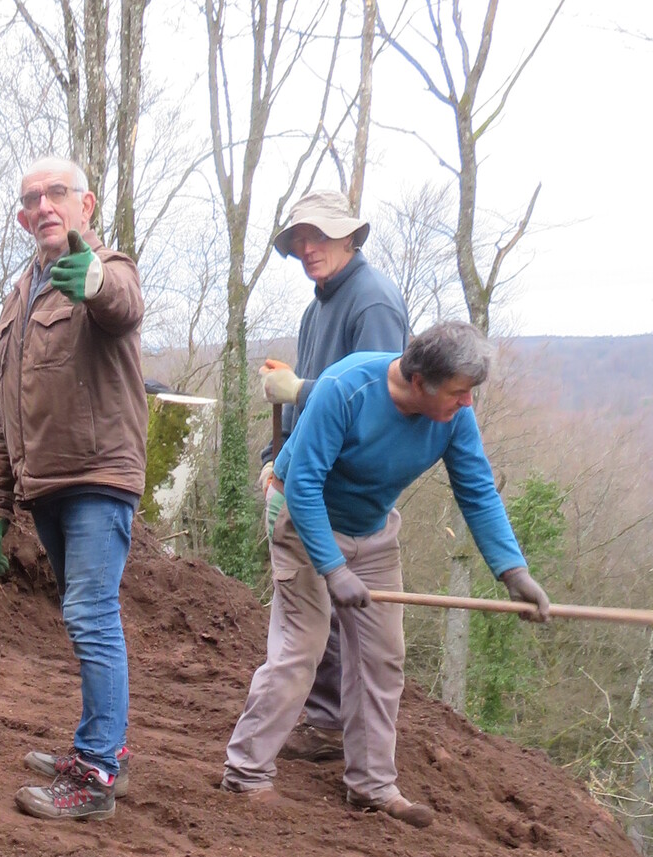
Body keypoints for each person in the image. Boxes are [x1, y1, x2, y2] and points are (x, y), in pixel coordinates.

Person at [223, 321, 552, 824]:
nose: (467, 403)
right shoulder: (345, 389)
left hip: (374, 535)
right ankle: (246, 772)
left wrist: (513, 571)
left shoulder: (454, 417)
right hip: (305, 523)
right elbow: (304, 485)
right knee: (302, 648)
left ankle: (371, 785)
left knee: (382, 658)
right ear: (419, 381)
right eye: (458, 392)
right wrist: (333, 569)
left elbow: (477, 491)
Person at [0, 157, 147, 821]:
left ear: (86, 204)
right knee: (85, 618)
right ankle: (101, 749)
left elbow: (122, 303)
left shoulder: (109, 266)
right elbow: (8, 415)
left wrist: (95, 280)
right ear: (22, 219)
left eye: (57, 193)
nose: (43, 205)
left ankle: (96, 776)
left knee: (90, 614)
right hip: (45, 485)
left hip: (97, 478)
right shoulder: (20, 296)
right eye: (31, 199)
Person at [257, 189, 408, 764]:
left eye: (319, 235)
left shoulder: (374, 304)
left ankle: (338, 734)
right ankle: (321, 722)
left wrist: (297, 388)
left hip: (346, 489)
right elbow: (314, 408)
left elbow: (378, 403)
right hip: (307, 476)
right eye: (299, 238)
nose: (307, 248)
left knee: (344, 614)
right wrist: (274, 460)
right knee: (312, 603)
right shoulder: (316, 307)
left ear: (350, 236)